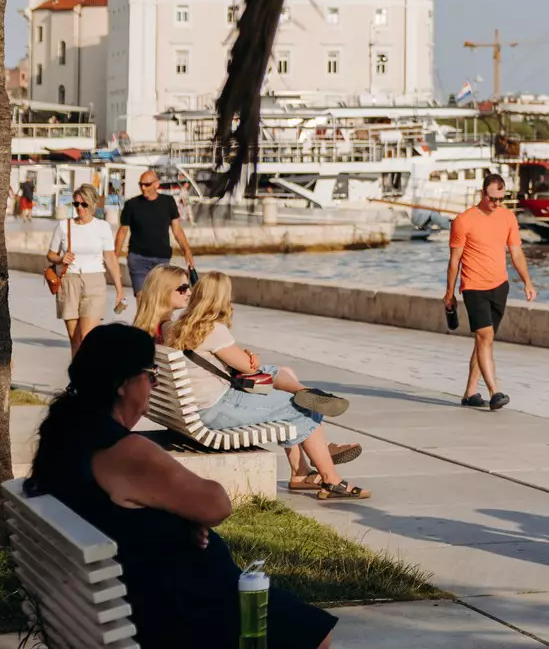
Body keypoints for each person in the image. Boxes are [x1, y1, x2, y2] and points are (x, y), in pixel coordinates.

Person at [27, 324, 338, 647]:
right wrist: (187, 517)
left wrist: (176, 521)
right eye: (151, 375)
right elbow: (216, 504)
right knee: (314, 633)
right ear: (123, 384)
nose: (154, 384)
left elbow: (120, 514)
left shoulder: (65, 435)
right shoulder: (128, 453)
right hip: (172, 615)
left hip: (120, 601)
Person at [169, 272, 368, 500]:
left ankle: (302, 468)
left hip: (197, 408)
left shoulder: (180, 326)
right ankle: (331, 479)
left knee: (282, 377)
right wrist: (250, 358)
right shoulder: (212, 329)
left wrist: (247, 361)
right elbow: (249, 367)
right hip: (215, 409)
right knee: (301, 407)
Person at [442, 172, 537, 411]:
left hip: (499, 287)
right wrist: (449, 293)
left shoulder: (507, 218)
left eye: (501, 199)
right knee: (485, 337)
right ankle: (495, 392)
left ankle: (470, 393)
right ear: (483, 193)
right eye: (492, 198)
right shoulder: (464, 220)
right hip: (473, 287)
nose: (496, 204)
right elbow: (455, 261)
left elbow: (516, 253)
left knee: (484, 340)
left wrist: (527, 282)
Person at [48, 185, 127, 355]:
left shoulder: (102, 227)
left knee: (88, 337)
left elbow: (111, 258)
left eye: (84, 205)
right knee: (74, 338)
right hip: (69, 281)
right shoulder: (64, 226)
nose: (79, 209)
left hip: (95, 282)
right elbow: (51, 255)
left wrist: (119, 289)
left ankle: (89, 378)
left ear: (93, 205)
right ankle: (78, 378)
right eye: (76, 204)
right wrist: (61, 259)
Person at [116, 169, 196, 293]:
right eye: (140, 184)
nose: (143, 188)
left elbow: (177, 230)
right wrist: (114, 257)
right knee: (142, 298)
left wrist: (187, 250)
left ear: (156, 184)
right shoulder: (131, 205)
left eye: (147, 184)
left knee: (159, 299)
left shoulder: (168, 202)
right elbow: (122, 232)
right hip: (138, 258)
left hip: (162, 259)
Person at [131, 264, 190, 340]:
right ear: (164, 291)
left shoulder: (137, 331)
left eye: (188, 287)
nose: (189, 293)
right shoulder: (170, 331)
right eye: (184, 288)